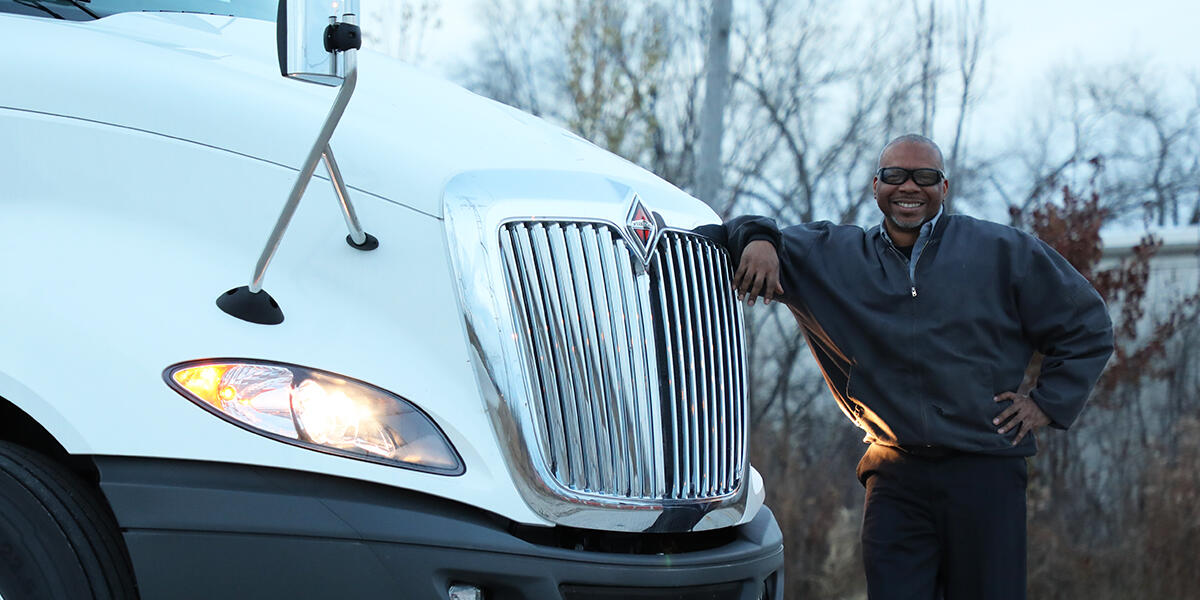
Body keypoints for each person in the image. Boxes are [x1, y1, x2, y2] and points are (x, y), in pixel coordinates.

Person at [720, 134, 1114, 600]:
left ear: (943, 187)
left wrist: (1046, 403)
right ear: (875, 186)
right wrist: (760, 239)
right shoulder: (837, 257)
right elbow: (727, 235)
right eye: (895, 176)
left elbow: (1088, 322)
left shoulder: (1002, 251)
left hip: (985, 472)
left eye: (925, 177)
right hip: (895, 475)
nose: (910, 187)